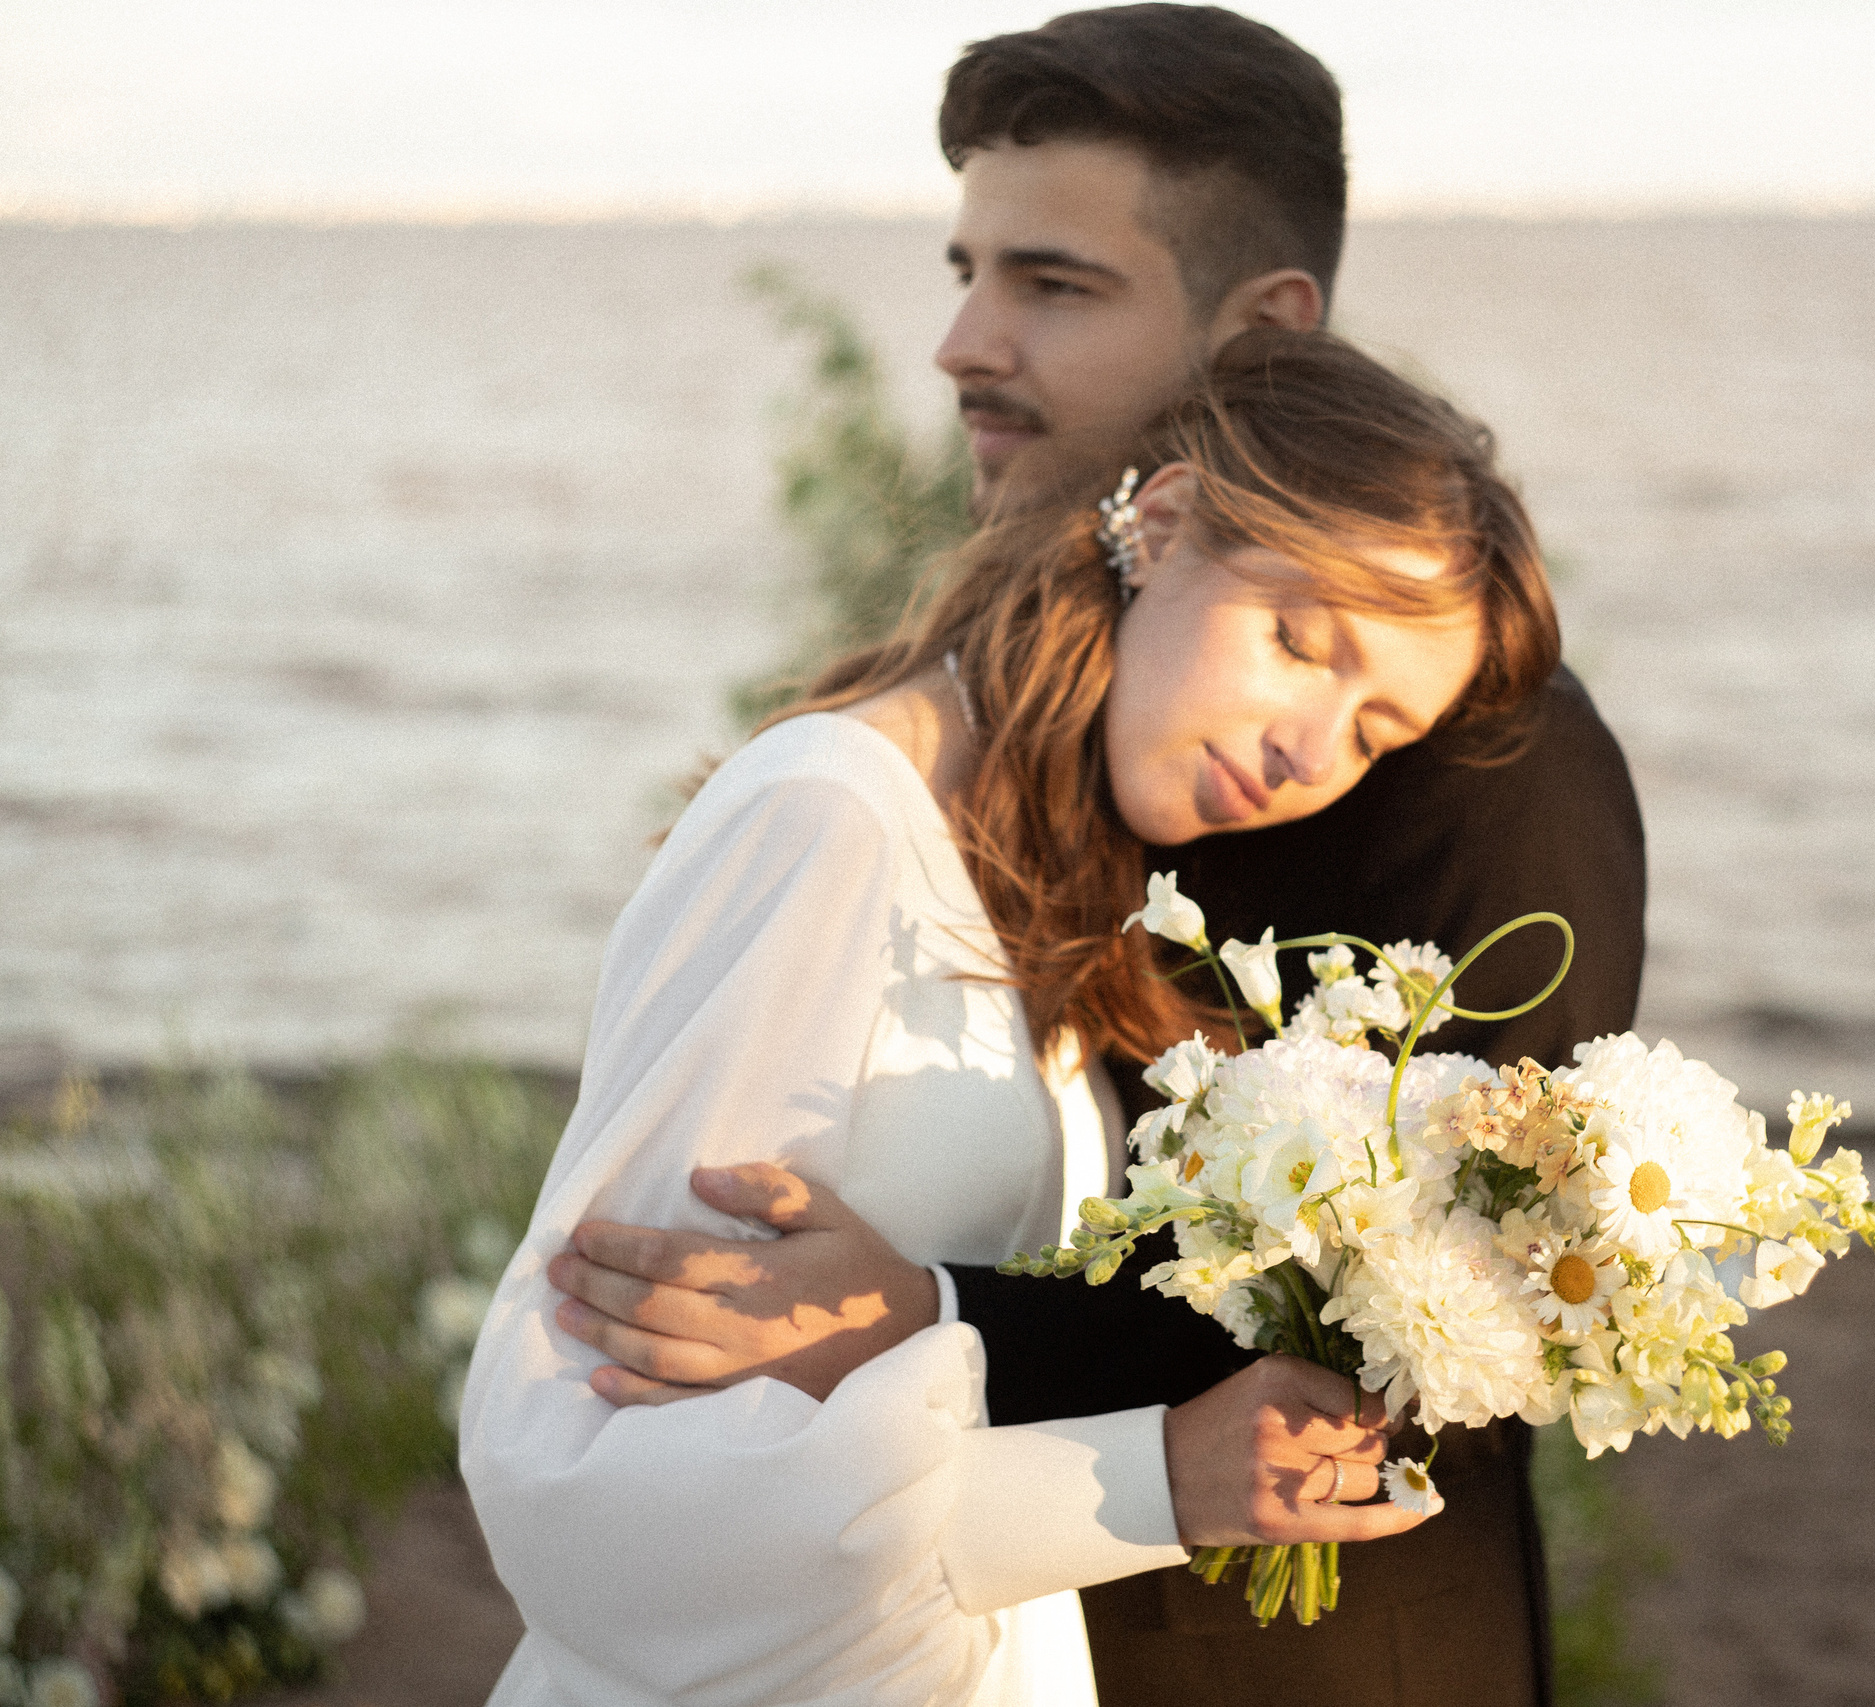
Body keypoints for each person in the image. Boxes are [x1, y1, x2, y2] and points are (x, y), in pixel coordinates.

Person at [537, 9, 1647, 1705]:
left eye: (1056, 286)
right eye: (970, 269)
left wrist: (927, 1314)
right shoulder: (946, 770)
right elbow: (601, 1398)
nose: (963, 341)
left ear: (1257, 335)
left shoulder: (1478, 747)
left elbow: (1436, 1291)